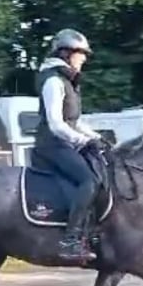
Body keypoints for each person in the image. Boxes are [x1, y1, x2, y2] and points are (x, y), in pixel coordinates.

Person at [32, 28, 108, 262]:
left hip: (64, 143)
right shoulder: (53, 81)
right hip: (51, 146)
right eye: (81, 53)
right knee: (89, 181)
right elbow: (56, 124)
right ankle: (70, 241)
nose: (84, 58)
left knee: (102, 173)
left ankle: (90, 232)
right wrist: (83, 141)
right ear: (66, 53)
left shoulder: (69, 82)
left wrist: (97, 138)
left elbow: (75, 121)